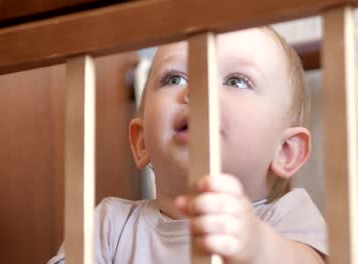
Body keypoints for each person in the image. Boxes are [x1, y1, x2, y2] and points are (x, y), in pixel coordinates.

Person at [48, 26, 327, 264]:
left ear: (286, 151)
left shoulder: (287, 217)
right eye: (174, 78)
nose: (197, 90)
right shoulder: (110, 225)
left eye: (236, 81)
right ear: (142, 142)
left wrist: (258, 246)